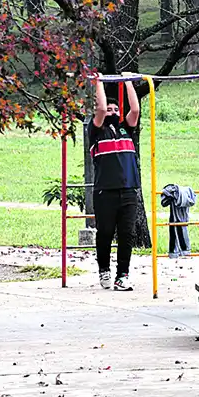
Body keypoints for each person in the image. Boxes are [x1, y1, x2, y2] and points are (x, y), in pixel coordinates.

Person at [88, 77, 143, 291]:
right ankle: (104, 270)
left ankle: (123, 275)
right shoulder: (96, 132)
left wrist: (128, 81)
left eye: (115, 108)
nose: (111, 111)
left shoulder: (125, 129)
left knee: (126, 235)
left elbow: (135, 110)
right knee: (105, 233)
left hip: (129, 190)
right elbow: (100, 109)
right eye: (109, 109)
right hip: (105, 192)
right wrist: (98, 82)